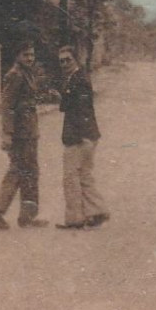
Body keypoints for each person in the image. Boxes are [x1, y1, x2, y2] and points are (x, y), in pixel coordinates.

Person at [0, 45, 49, 230]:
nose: (30, 58)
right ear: (17, 55)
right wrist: (7, 134)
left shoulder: (27, 73)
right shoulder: (16, 75)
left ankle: (27, 217)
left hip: (29, 132)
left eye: (32, 54)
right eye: (26, 54)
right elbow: (6, 106)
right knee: (18, 171)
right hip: (19, 134)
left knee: (30, 173)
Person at [55, 46, 108, 231]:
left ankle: (75, 218)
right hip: (84, 135)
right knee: (84, 175)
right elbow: (67, 105)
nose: (64, 64)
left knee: (71, 177)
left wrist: (84, 137)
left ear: (75, 59)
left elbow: (84, 110)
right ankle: (97, 211)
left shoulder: (80, 80)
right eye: (61, 61)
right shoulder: (74, 78)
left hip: (79, 136)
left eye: (68, 59)